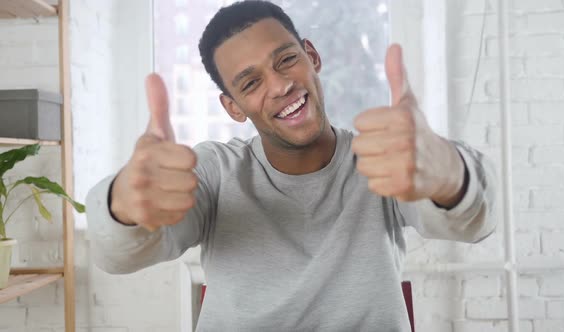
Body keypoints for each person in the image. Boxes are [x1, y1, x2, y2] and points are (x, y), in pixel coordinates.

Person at [86, 1, 497, 331]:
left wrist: (449, 171)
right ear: (233, 108)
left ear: (312, 55)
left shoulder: (383, 158)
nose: (281, 86)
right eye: (250, 83)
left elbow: (478, 222)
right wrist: (123, 206)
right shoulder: (214, 171)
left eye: (285, 60)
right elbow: (117, 256)